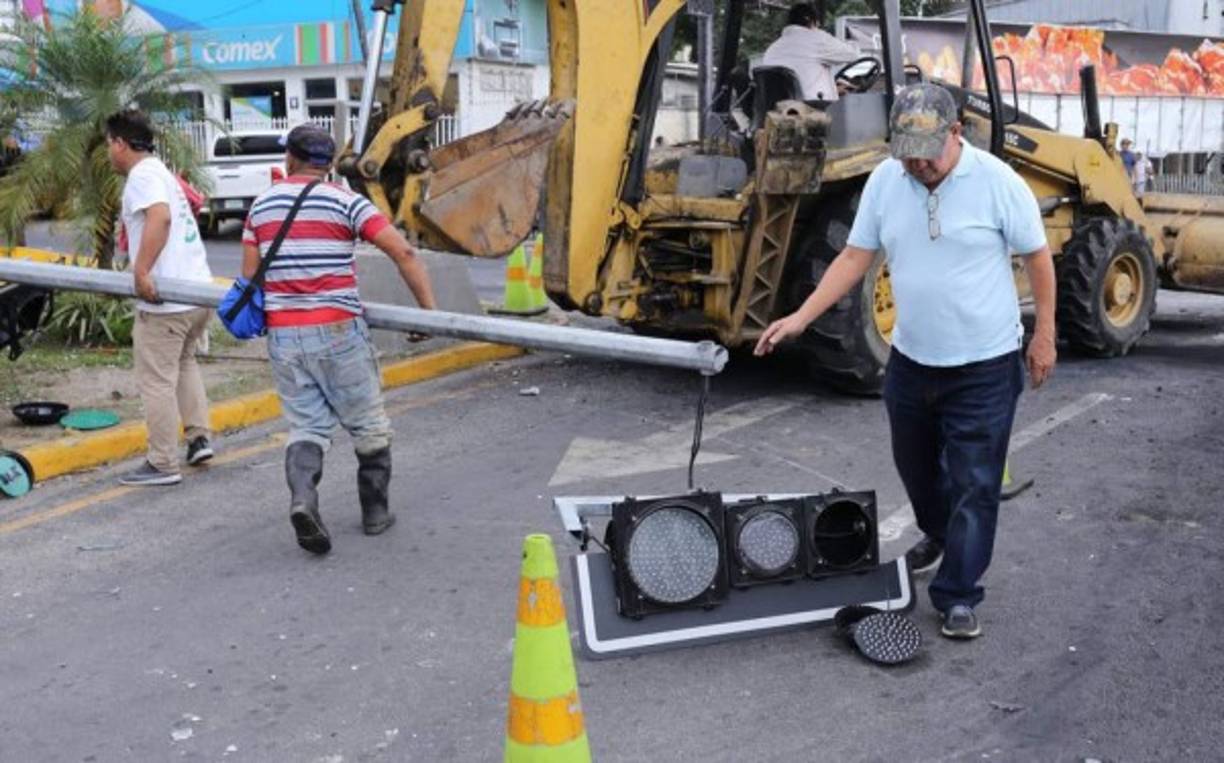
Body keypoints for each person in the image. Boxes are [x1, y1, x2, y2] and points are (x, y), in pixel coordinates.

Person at [755, 84, 1057, 640]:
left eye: (927, 152)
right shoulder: (886, 181)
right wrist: (800, 316)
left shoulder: (997, 183)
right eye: (907, 151)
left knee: (975, 483)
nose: (916, 163)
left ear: (956, 135)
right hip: (913, 362)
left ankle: (959, 594)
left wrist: (1045, 337)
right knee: (917, 469)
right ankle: (940, 532)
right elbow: (853, 255)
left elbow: (1038, 257)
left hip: (985, 365)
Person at [242, 123, 437, 555]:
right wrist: (429, 312)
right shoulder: (346, 201)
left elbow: (249, 278)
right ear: (329, 164)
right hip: (338, 329)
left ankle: (303, 499)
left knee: (307, 427)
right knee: (368, 424)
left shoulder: (262, 206)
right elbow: (402, 251)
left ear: (290, 159)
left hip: (286, 335)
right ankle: (374, 514)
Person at [106, 110, 215, 487]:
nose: (108, 152)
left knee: (156, 380)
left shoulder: (142, 175)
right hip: (196, 292)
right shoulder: (161, 170)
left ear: (120, 143)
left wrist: (141, 271)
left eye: (109, 144)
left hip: (167, 301)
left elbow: (161, 218)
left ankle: (162, 462)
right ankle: (199, 438)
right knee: (184, 365)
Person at [761, 2, 860, 102]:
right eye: (817, 24)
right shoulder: (817, 38)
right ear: (811, 21)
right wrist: (854, 38)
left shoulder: (772, 49)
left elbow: (796, 82)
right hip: (810, 111)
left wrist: (834, 89)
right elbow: (852, 54)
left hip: (777, 111)